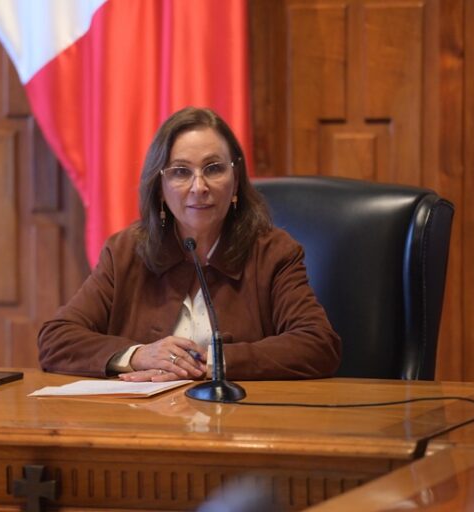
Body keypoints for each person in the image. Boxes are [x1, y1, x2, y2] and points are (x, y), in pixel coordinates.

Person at [38, 107, 340, 381]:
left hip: (241, 418)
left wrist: (212, 363)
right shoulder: (125, 251)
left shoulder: (273, 252)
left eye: (214, 168)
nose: (199, 187)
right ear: (160, 188)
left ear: (235, 180)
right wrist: (138, 356)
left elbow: (318, 344)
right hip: (144, 419)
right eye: (181, 172)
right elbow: (57, 339)